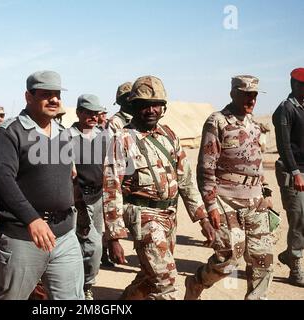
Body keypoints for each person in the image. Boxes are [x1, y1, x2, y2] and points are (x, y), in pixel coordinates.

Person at [103, 76, 213, 300]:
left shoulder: (169, 135)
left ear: (163, 107)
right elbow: (111, 187)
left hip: (169, 216)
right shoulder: (122, 139)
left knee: (150, 275)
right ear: (134, 106)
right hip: (143, 218)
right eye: (144, 105)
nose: (151, 110)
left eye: (156, 104)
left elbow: (186, 180)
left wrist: (202, 218)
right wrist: (114, 237)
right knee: (166, 282)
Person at [0, 70, 84, 300]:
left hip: (64, 235)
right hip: (23, 237)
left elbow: (68, 178)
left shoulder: (64, 133)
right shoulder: (10, 132)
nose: (54, 100)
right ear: (28, 97)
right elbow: (3, 180)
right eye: (46, 94)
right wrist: (32, 218)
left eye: (57, 94)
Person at [185, 75, 275, 300]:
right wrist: (211, 205)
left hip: (256, 201)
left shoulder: (254, 125)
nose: (251, 99)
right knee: (228, 260)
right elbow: (206, 168)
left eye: (254, 95)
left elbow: (257, 162)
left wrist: (265, 191)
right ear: (233, 93)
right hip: (226, 200)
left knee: (262, 260)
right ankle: (197, 282)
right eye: (246, 94)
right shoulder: (217, 121)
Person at [70, 94, 108, 300]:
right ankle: (85, 285)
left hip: (98, 198)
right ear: (78, 112)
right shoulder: (67, 137)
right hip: (77, 200)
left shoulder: (103, 135)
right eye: (89, 113)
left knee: (92, 244)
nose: (93, 117)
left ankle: (83, 285)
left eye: (96, 113)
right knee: (91, 245)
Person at [272, 68, 304, 287]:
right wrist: (295, 173)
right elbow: (284, 146)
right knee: (298, 218)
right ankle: (295, 268)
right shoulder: (285, 109)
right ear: (294, 85)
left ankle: (289, 254)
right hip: (293, 172)